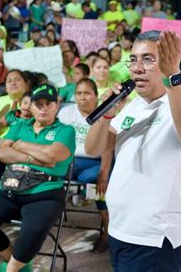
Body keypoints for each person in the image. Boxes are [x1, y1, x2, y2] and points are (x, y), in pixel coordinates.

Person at [85, 30, 181, 271]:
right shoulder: (133, 107)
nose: (137, 68)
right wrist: (107, 113)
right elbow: (94, 148)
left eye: (148, 59)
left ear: (169, 61)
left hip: (154, 239)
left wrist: (174, 76)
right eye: (133, 59)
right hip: (121, 231)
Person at [0, 83, 75, 272]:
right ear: (31, 106)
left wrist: (19, 145)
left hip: (45, 193)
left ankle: (11, 270)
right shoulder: (20, 124)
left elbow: (53, 155)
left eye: (48, 103)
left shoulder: (65, 130)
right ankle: (19, 266)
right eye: (39, 103)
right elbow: (2, 153)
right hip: (10, 190)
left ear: (56, 105)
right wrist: (36, 157)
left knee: (32, 231)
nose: (43, 108)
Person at [58, 78, 113, 253]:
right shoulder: (65, 113)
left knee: (99, 182)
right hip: (67, 162)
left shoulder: (105, 114)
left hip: (93, 163)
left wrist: (104, 174)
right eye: (79, 93)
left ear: (96, 96)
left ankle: (107, 232)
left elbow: (107, 149)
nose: (83, 97)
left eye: (87, 93)